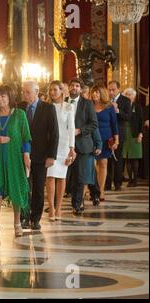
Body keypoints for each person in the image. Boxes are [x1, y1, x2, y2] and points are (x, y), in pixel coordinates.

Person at [0, 85, 31, 241]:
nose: (0, 99)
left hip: (15, 158)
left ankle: (17, 223)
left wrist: (26, 155)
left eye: (3, 96)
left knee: (16, 189)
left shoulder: (20, 115)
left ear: (10, 97)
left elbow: (26, 137)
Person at [20, 80, 59, 230]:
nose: (25, 94)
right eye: (23, 91)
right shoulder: (20, 107)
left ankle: (35, 218)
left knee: (37, 188)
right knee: (24, 187)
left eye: (27, 92)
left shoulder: (48, 108)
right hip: (23, 155)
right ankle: (24, 216)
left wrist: (51, 155)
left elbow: (54, 133)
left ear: (37, 92)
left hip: (41, 156)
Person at [66, 78, 98, 216]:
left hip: (82, 144)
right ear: (68, 87)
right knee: (65, 177)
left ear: (81, 89)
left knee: (79, 178)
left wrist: (80, 130)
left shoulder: (87, 104)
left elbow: (93, 124)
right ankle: (56, 204)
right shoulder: (63, 101)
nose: (74, 87)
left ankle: (77, 204)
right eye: (72, 85)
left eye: (77, 86)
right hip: (64, 144)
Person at [45, 81, 76, 221]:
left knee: (61, 177)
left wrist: (72, 148)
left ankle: (59, 208)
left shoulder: (69, 107)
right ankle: (51, 208)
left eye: (55, 90)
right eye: (51, 90)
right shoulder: (46, 107)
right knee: (50, 176)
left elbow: (71, 128)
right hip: (49, 145)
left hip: (63, 146)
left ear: (61, 91)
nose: (52, 92)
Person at [92, 85, 118, 202]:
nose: (95, 94)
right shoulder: (89, 106)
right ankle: (93, 189)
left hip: (106, 138)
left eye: (97, 92)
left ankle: (101, 190)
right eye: (93, 92)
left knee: (103, 163)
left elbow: (114, 125)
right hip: (91, 139)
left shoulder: (109, 107)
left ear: (102, 93)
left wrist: (116, 140)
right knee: (92, 165)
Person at [106, 81, 131, 191]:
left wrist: (118, 110)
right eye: (109, 89)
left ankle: (117, 183)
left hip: (119, 134)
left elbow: (128, 117)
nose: (111, 92)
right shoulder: (105, 100)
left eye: (113, 89)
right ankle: (106, 184)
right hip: (106, 133)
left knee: (118, 159)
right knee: (107, 159)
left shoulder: (126, 101)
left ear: (118, 89)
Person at [122, 88, 144, 187]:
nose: (128, 96)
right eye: (127, 94)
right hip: (124, 135)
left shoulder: (137, 107)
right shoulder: (122, 107)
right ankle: (130, 180)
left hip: (135, 135)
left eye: (130, 94)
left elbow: (141, 122)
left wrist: (141, 134)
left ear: (134, 97)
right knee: (127, 158)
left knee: (134, 158)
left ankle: (135, 180)